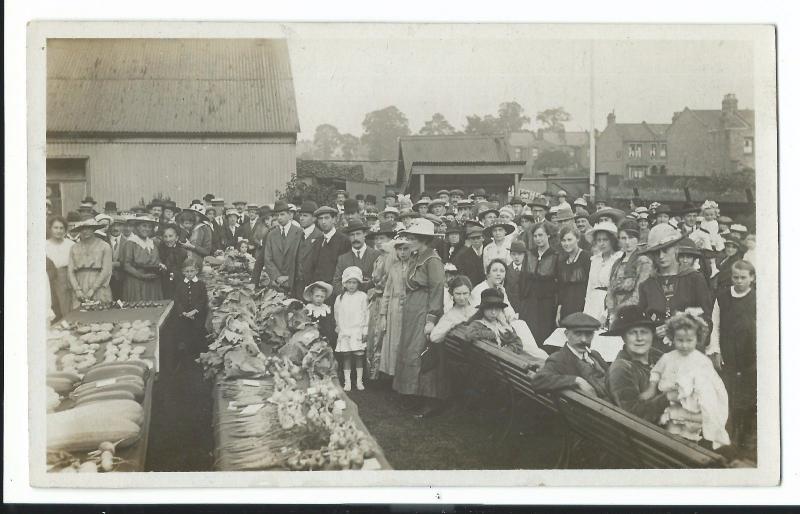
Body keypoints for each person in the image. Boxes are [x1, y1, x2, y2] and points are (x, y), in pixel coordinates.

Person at [640, 312, 730, 449]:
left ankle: (692, 447)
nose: (684, 345)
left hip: (694, 402)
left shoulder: (701, 360)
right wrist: (652, 387)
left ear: (697, 339)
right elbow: (656, 372)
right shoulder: (668, 357)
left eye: (689, 340)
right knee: (673, 432)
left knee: (691, 433)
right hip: (673, 401)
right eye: (680, 340)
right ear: (672, 338)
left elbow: (713, 382)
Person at [393, 219, 449, 417]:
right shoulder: (418, 256)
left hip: (424, 310)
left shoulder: (432, 260)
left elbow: (437, 290)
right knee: (410, 351)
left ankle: (430, 400)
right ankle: (412, 394)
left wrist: (431, 320)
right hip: (412, 310)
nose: (408, 241)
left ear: (423, 240)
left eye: (412, 238)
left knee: (422, 353)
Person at [707, 260, 756, 450]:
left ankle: (744, 439)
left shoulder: (756, 299)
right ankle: (727, 437)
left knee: (747, 398)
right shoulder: (722, 297)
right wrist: (716, 351)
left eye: (743, 278)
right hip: (728, 355)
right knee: (727, 396)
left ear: (752, 278)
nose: (739, 281)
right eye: (735, 277)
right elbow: (715, 325)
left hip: (749, 357)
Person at [638, 225, 714, 348]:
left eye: (665, 250)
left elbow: (706, 319)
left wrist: (682, 329)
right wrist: (652, 332)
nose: (661, 256)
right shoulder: (647, 285)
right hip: (656, 350)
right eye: (656, 252)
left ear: (676, 249)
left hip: (688, 348)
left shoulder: (694, 279)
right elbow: (640, 322)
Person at [604, 305, 670, 424]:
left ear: (652, 335)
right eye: (633, 333)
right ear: (624, 337)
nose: (639, 338)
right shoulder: (621, 369)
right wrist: (669, 397)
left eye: (644, 332)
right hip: (650, 436)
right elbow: (635, 417)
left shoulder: (657, 358)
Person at [530, 312, 609, 397]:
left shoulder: (594, 355)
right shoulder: (559, 359)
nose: (584, 340)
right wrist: (576, 380)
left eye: (588, 334)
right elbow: (538, 381)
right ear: (566, 334)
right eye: (578, 334)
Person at [606, 221, 652, 323]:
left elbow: (639, 293)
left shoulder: (643, 261)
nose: (627, 242)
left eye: (631, 238)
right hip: (614, 314)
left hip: (633, 312)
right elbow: (610, 290)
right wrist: (611, 311)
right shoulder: (617, 262)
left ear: (638, 239)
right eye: (623, 238)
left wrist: (619, 311)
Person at [378, 237, 412, 378]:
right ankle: (394, 374)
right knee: (394, 341)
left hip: (410, 306)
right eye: (399, 249)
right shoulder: (393, 267)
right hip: (394, 307)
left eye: (405, 249)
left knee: (407, 341)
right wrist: (383, 315)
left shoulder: (415, 265)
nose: (402, 252)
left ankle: (406, 376)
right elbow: (387, 292)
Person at [253, 200, 303, 292]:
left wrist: (288, 277)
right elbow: (268, 258)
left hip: (294, 283)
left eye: (282, 214)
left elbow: (301, 259)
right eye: (277, 215)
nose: (279, 218)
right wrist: (277, 277)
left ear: (289, 214)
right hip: (276, 284)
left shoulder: (299, 232)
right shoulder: (271, 234)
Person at [334, 266, 370, 392]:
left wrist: (365, 330)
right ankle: (347, 381)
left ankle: (359, 381)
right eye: (349, 282)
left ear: (358, 283)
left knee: (359, 356)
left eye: (354, 282)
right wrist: (339, 328)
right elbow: (337, 314)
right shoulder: (340, 298)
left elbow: (366, 314)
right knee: (346, 356)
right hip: (345, 330)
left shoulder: (363, 296)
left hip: (357, 330)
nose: (351, 285)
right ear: (344, 283)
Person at [169, 260, 209, 372]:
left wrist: (195, 311)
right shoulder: (180, 285)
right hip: (184, 316)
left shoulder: (201, 284)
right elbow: (177, 300)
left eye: (192, 271)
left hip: (197, 316)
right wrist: (183, 312)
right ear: (183, 272)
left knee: (197, 334)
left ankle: (199, 356)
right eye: (187, 271)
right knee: (186, 334)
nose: (190, 273)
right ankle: (187, 359)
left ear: (196, 271)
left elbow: (203, 300)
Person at [304, 206, 352, 296]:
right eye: (320, 219)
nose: (323, 222)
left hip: (335, 291)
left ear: (334, 219)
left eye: (326, 218)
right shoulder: (317, 241)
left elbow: (345, 269)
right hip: (318, 292)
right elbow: (311, 266)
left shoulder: (343, 241)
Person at [67, 220, 113, 309]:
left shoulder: (104, 246)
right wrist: (77, 290)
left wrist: (93, 290)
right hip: (80, 283)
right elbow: (70, 271)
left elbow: (106, 270)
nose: (85, 231)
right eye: (82, 229)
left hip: (99, 284)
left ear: (93, 229)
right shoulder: (74, 247)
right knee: (79, 315)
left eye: (88, 228)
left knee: (100, 312)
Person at [583, 221, 624, 323]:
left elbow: (618, 290)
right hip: (592, 305)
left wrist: (607, 313)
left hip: (608, 304)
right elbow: (590, 287)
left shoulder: (618, 259)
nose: (601, 243)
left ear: (612, 240)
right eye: (599, 240)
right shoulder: (595, 260)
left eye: (605, 240)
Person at [527, 222, 559, 345]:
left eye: (541, 235)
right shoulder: (530, 253)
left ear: (548, 235)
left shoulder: (555, 255)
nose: (538, 239)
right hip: (531, 301)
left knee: (544, 333)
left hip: (547, 301)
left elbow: (558, 281)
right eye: (535, 236)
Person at [120, 215, 164, 301]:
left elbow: (157, 260)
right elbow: (126, 265)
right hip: (136, 281)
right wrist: (141, 275)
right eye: (144, 226)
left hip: (152, 280)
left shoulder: (153, 243)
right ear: (137, 227)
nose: (146, 229)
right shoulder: (131, 242)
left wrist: (160, 265)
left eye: (149, 227)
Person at [332, 219, 380, 295]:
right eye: (352, 235)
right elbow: (336, 283)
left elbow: (381, 280)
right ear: (348, 237)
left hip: (371, 300)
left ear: (365, 234)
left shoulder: (376, 255)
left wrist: (369, 285)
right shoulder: (342, 259)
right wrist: (348, 294)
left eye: (358, 234)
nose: (355, 238)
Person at [555, 226, 591, 321]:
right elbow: (561, 288)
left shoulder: (587, 257)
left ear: (577, 239)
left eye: (569, 240)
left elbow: (590, 284)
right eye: (563, 240)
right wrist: (559, 310)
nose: (566, 243)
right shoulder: (562, 262)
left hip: (583, 305)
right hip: (566, 307)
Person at [430, 275, 477, 343]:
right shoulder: (449, 316)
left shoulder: (476, 310)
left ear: (470, 292)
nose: (462, 298)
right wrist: (452, 325)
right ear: (452, 294)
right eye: (458, 294)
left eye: (465, 293)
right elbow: (434, 337)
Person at [292, 201, 323, 298]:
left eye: (305, 216)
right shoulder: (297, 235)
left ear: (314, 218)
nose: (301, 218)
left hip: (312, 287)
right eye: (300, 215)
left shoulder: (320, 236)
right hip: (296, 286)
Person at [46, 216, 76, 316]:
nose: (58, 231)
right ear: (50, 228)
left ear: (65, 230)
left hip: (65, 280)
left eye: (61, 228)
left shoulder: (71, 244)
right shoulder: (44, 245)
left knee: (66, 308)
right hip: (47, 280)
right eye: (55, 228)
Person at [158, 224, 189, 300]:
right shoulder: (160, 250)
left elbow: (185, 269)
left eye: (170, 236)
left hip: (179, 281)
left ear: (176, 238)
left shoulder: (182, 252)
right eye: (165, 236)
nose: (168, 239)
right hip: (164, 282)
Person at [303, 281, 335, 347]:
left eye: (322, 297)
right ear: (312, 296)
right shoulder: (308, 309)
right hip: (311, 337)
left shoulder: (327, 309)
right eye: (317, 296)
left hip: (326, 337)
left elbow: (330, 324)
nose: (319, 299)